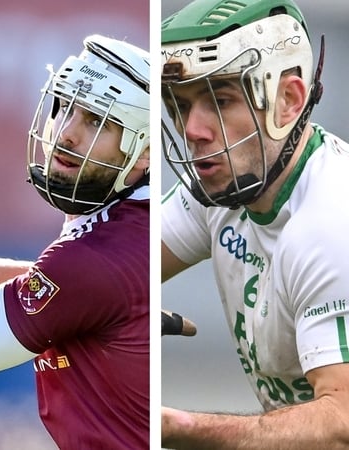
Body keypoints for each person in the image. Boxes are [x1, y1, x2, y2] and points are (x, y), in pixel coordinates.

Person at [159, 0, 349, 447]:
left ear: (288, 102)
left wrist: (173, 428)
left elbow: (342, 425)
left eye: (220, 100)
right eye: (180, 105)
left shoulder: (329, 224)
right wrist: (116, 307)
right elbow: (111, 268)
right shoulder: (222, 186)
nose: (193, 129)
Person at [0, 34, 150, 449]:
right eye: (64, 108)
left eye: (97, 122)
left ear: (145, 151)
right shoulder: (123, 227)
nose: (65, 135)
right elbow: (45, 291)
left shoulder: (97, 258)